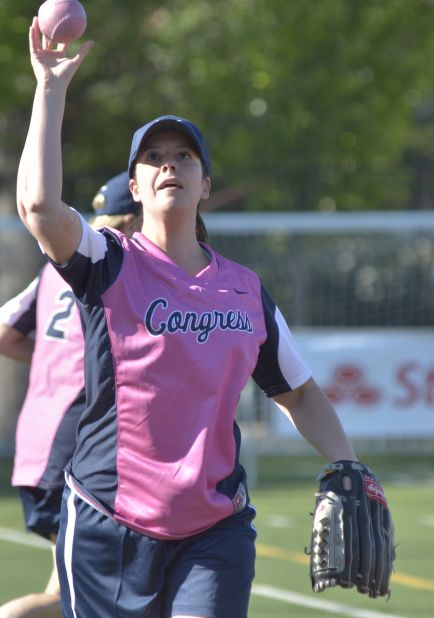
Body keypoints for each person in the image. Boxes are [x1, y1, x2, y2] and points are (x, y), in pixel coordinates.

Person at [16, 17, 359, 618]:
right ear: (136, 185)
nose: (170, 164)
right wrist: (50, 88)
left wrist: (347, 464)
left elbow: (299, 395)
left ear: (204, 185)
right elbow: (40, 207)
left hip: (213, 528)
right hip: (106, 523)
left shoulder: (245, 290)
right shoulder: (109, 260)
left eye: (184, 156)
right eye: (154, 158)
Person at [0, 171, 142, 618]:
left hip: (37, 445)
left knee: (85, 592)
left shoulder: (58, 265)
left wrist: (57, 360)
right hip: (74, 447)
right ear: (133, 219)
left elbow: (5, 332)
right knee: (73, 599)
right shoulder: (121, 267)